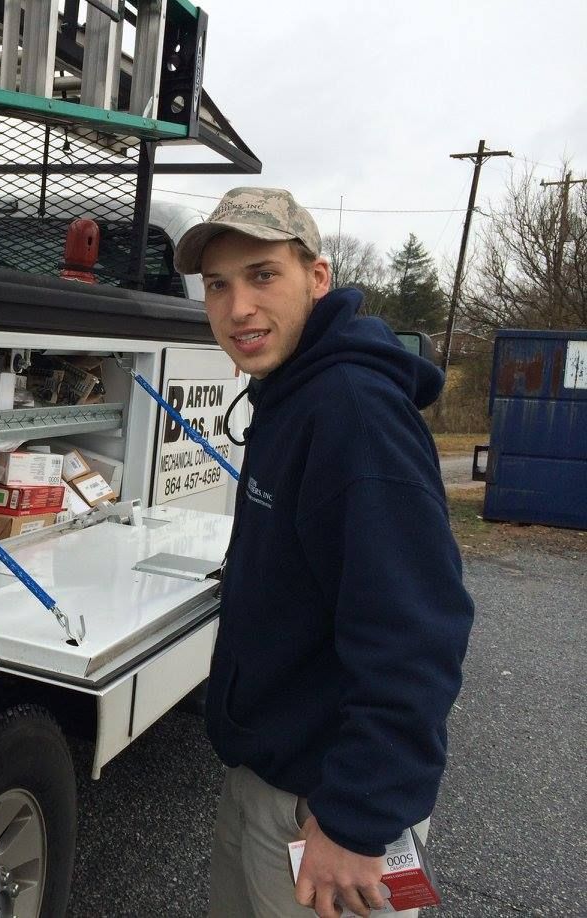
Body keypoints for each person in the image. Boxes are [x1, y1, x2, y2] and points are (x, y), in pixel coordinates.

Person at [173, 188, 474, 918]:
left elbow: (415, 633)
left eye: (262, 275)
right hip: (267, 779)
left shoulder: (354, 412)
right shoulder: (290, 394)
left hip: (326, 812)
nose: (238, 306)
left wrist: (357, 818)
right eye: (218, 284)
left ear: (317, 277)